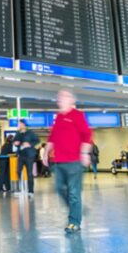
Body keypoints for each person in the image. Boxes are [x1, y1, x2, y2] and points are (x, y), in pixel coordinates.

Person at [45, 90, 92, 234]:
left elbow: (87, 135)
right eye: (58, 97)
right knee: (60, 188)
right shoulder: (58, 117)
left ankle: (74, 222)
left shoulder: (77, 115)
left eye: (63, 97)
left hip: (74, 161)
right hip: (59, 161)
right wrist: (45, 153)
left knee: (73, 193)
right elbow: (52, 137)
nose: (59, 100)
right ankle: (77, 209)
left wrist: (84, 153)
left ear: (72, 101)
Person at [13, 122, 39, 195]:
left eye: (20, 124)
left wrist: (29, 144)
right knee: (18, 171)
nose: (19, 126)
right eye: (18, 125)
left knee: (29, 173)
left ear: (24, 125)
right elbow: (14, 141)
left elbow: (37, 140)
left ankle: (30, 191)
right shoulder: (18, 133)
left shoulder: (30, 133)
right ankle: (20, 189)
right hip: (21, 155)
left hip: (29, 155)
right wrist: (15, 143)